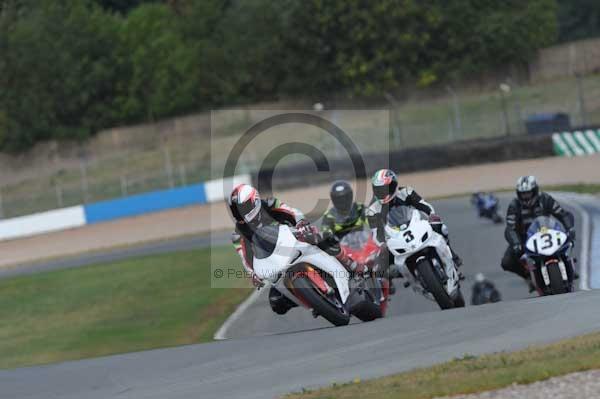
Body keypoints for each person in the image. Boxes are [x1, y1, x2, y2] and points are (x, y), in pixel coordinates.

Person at [228, 183, 354, 315]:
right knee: (276, 302)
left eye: (243, 208)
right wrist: (252, 273)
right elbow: (244, 257)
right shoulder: (237, 234)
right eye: (236, 210)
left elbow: (292, 211)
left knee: (323, 239)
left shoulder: (270, 203)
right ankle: (314, 302)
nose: (240, 213)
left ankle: (350, 263)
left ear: (255, 201)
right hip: (276, 260)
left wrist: (300, 222)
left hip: (298, 238)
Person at [366, 169, 463, 270]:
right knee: (379, 261)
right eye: (379, 190)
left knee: (441, 227)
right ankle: (391, 280)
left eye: (386, 188)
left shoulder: (406, 192)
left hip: (415, 226)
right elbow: (376, 232)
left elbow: (424, 205)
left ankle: (451, 254)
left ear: (394, 185)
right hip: (394, 237)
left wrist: (432, 215)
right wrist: (382, 244)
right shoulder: (372, 210)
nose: (383, 192)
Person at [502, 175, 577, 289]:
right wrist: (516, 243)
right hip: (524, 238)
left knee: (568, 243)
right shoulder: (514, 205)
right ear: (518, 193)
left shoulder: (545, 199)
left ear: (535, 191)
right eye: (523, 194)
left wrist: (569, 228)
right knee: (506, 262)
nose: (525, 197)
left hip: (548, 232)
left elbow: (563, 214)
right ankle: (528, 276)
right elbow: (510, 228)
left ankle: (567, 264)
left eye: (528, 193)